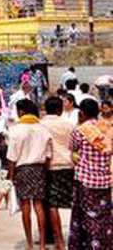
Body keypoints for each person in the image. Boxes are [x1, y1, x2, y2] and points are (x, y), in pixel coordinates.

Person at [7, 99, 53, 250]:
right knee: (39, 206)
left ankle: (29, 243)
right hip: (39, 169)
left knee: (25, 206)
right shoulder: (43, 129)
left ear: (20, 112)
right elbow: (48, 155)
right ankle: (42, 244)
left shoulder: (15, 130)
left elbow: (12, 158)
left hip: (22, 169)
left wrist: (11, 176)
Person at [68, 98, 112, 250]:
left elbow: (72, 149)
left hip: (86, 180)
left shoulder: (79, 131)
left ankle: (90, 246)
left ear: (82, 113)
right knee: (104, 216)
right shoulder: (107, 128)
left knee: (87, 216)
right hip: (105, 180)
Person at [41, 96, 75, 250]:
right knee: (73, 202)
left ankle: (59, 240)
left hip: (50, 166)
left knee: (52, 204)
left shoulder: (41, 125)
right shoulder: (69, 125)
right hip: (68, 165)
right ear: (59, 109)